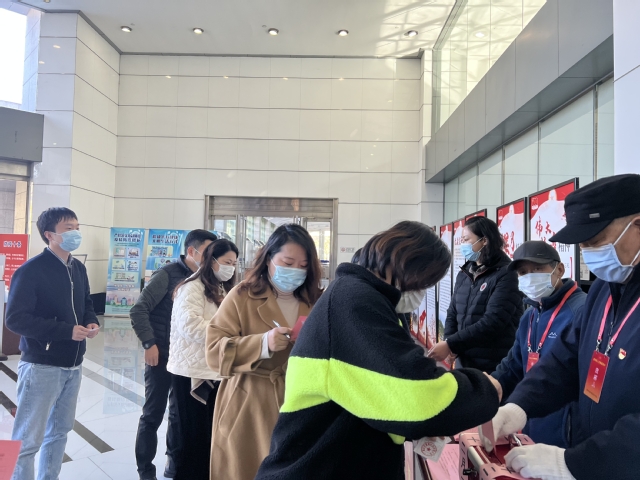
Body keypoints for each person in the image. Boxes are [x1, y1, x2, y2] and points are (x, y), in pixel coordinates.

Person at [255, 221, 502, 479]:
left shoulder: (364, 297)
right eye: (422, 282)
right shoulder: (354, 302)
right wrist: (483, 390)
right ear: (405, 265)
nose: (420, 292)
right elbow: (414, 396)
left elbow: (381, 393)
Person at [483, 174, 640, 480]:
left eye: (595, 240)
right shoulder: (604, 289)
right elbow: (565, 358)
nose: (588, 251)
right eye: (583, 244)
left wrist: (575, 462)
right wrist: (519, 406)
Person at [205, 224, 323, 480]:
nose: (295, 271)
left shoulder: (315, 300)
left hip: (300, 403)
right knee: (248, 469)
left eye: (303, 266)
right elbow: (214, 352)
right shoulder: (242, 295)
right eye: (288, 263)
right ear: (269, 258)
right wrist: (262, 344)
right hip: (249, 403)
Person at [6, 207, 99, 480]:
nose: (75, 233)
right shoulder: (31, 271)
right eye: (68, 228)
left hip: (73, 365)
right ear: (49, 234)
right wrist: (65, 331)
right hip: (41, 366)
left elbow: (87, 303)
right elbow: (15, 319)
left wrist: (91, 321)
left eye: (77, 227)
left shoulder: (78, 268)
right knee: (27, 439)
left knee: (59, 432)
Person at [131, 229, 217, 480]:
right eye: (208, 252)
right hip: (161, 354)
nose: (212, 259)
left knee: (179, 414)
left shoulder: (206, 279)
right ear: (192, 251)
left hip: (184, 361)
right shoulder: (168, 275)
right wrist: (149, 344)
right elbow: (139, 310)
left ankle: (174, 460)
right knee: (153, 414)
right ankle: (146, 470)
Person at [491, 241, 586, 448]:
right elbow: (514, 362)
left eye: (537, 269)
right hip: (530, 419)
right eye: (523, 272)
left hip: (565, 429)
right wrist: (493, 382)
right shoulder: (531, 314)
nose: (530, 277)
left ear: (559, 269)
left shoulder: (581, 311)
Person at [166, 239, 238, 480]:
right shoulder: (192, 287)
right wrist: (227, 333)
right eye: (227, 262)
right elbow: (191, 326)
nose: (231, 268)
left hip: (212, 369)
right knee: (191, 437)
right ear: (211, 260)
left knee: (209, 436)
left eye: (234, 263)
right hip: (190, 372)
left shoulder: (220, 287)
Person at [428, 216, 523, 372]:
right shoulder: (464, 273)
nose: (462, 245)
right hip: (465, 359)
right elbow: (453, 312)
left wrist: (451, 344)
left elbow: (493, 322)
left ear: (484, 240)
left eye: (466, 239)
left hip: (494, 363)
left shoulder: (507, 274)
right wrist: (450, 342)